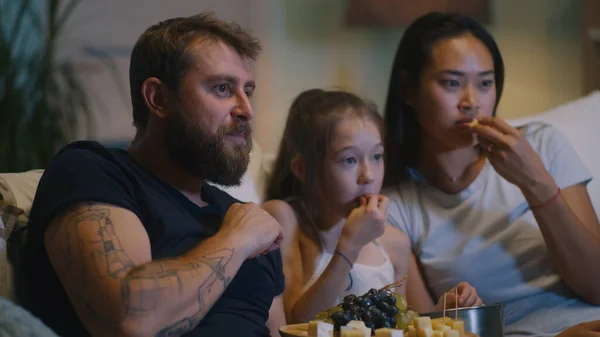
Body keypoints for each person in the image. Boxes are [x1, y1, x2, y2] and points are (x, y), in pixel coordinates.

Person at [10, 12, 286, 337]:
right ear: (158, 98)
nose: (246, 109)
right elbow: (130, 321)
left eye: (247, 91)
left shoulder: (241, 215)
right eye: (223, 88)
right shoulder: (93, 172)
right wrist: (238, 240)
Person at [381, 11, 600, 336]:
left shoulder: (540, 144)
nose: (472, 102)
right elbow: (425, 329)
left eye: (485, 83)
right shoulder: (396, 205)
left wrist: (533, 181)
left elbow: (596, 284)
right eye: (452, 83)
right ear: (408, 90)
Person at [262, 89, 482, 325]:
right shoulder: (285, 220)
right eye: (349, 160)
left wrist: (445, 311)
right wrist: (351, 245)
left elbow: (409, 323)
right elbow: (297, 324)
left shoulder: (393, 242)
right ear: (302, 169)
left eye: (377, 157)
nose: (368, 175)